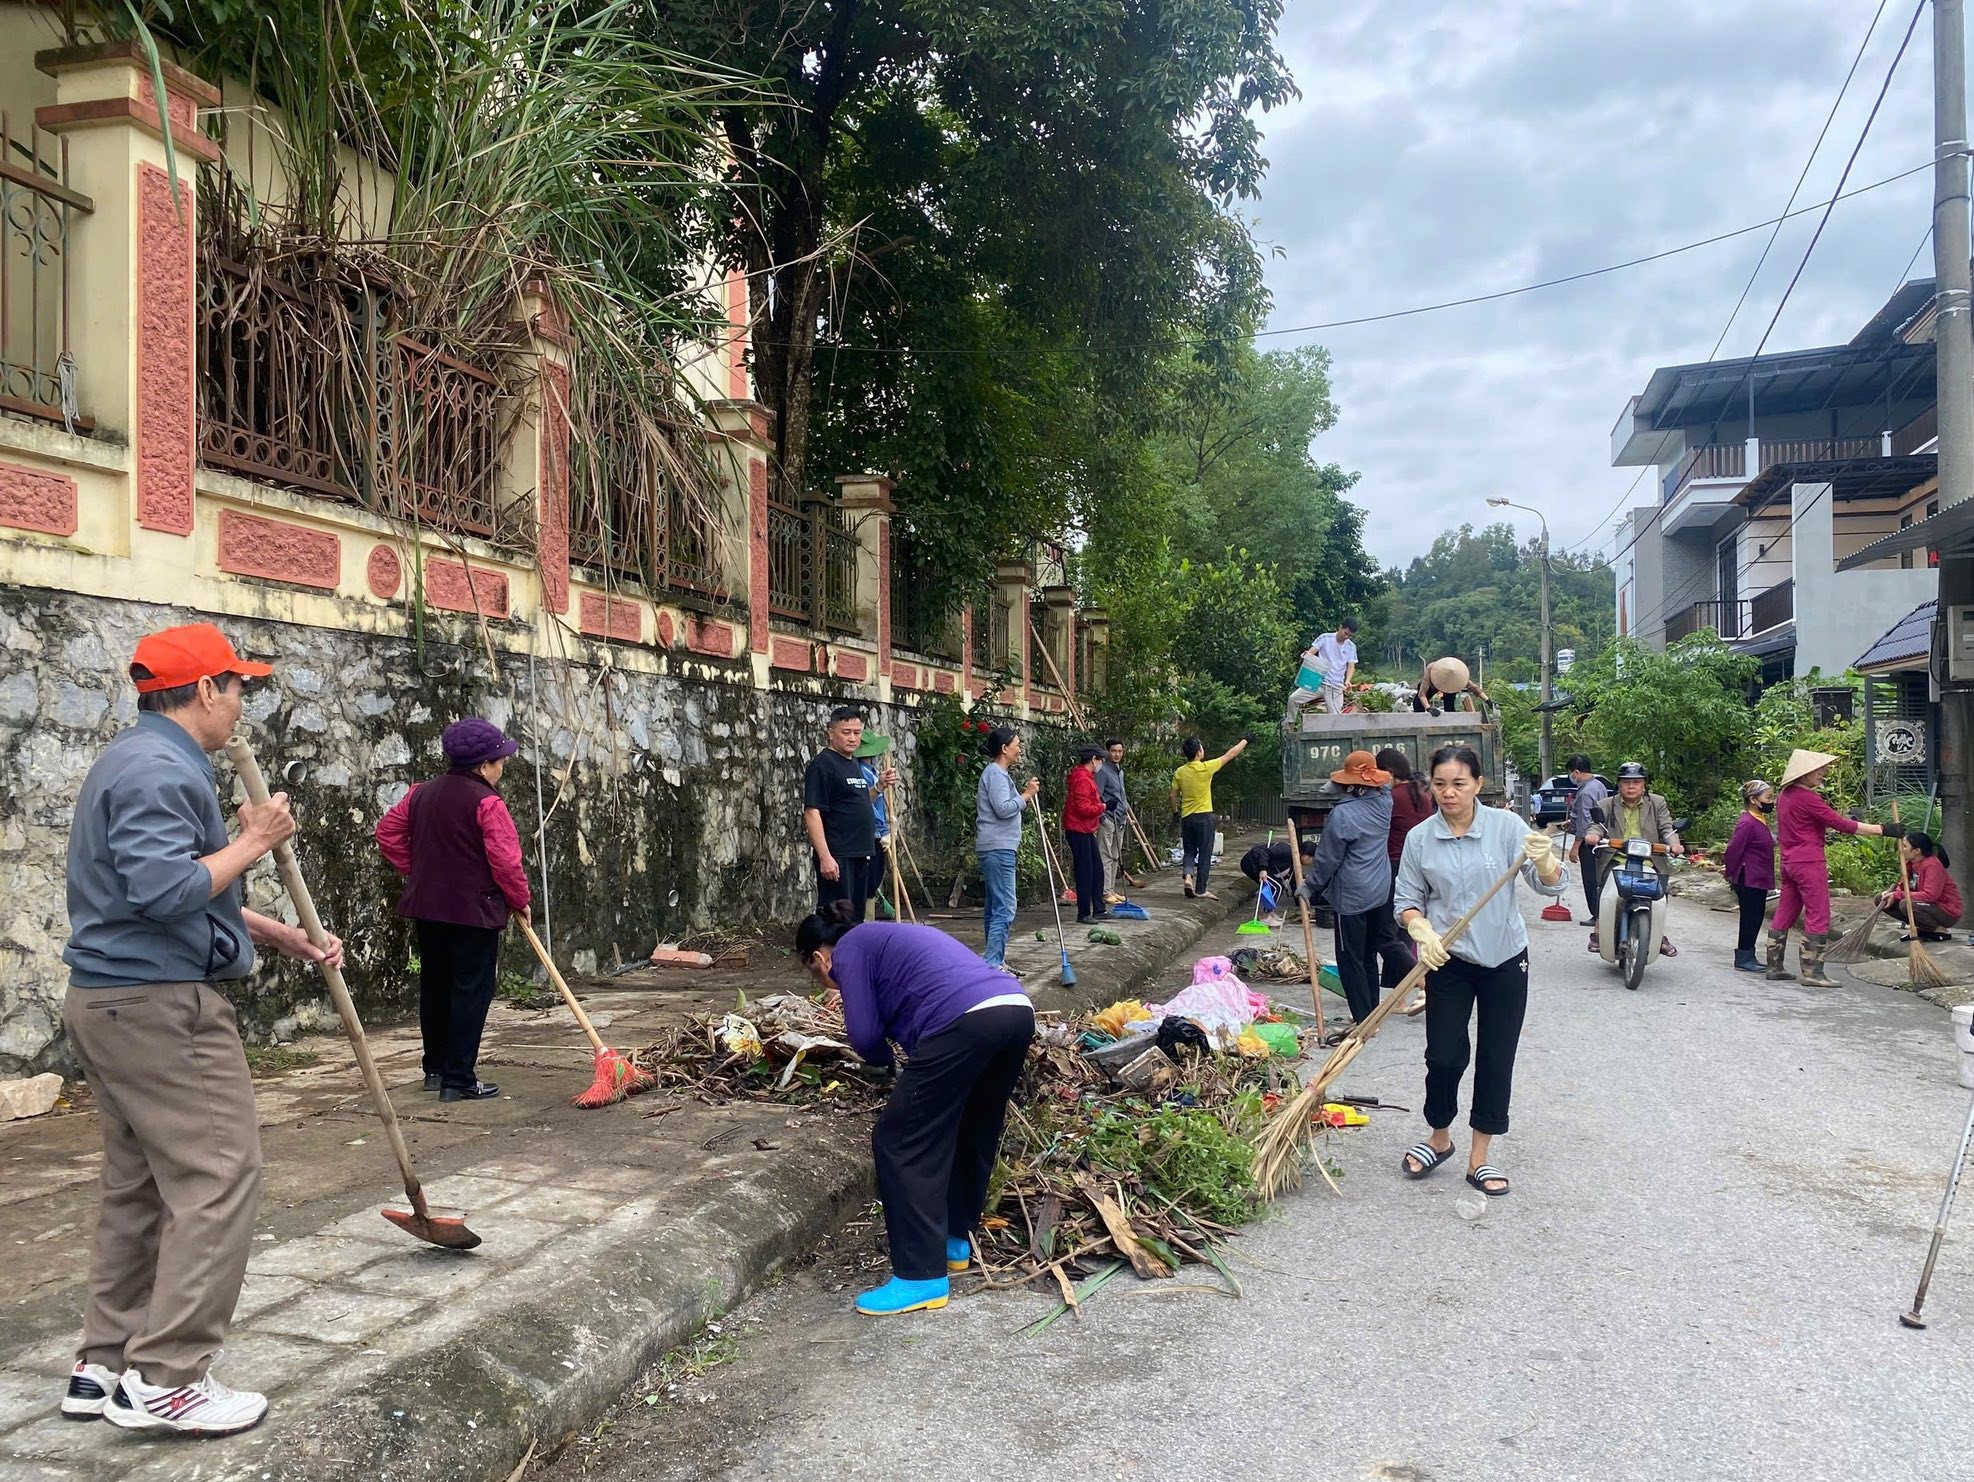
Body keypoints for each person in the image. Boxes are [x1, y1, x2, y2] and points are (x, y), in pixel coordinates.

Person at [60, 623, 344, 1435]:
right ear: (207, 690)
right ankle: (171, 1377)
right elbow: (159, 890)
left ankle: (104, 1363)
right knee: (219, 1175)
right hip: (160, 1009)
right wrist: (254, 839)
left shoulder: (134, 757)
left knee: (140, 1186)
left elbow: (171, 888)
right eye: (239, 687)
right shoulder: (157, 770)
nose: (242, 703)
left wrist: (275, 932)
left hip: (112, 999)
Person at [796, 908, 1035, 1316]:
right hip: (1014, 1009)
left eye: (815, 974)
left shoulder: (849, 951)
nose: (824, 983)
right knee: (971, 1125)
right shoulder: (886, 936)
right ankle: (955, 1240)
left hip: (964, 1020)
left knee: (900, 1140)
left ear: (819, 958)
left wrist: (880, 1061)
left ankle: (919, 1277)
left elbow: (866, 1034)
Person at [1394, 744, 1568, 1199]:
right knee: (1444, 1054)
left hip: (1506, 958)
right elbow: (1405, 899)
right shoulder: (1420, 839)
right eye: (1440, 784)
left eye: (1459, 783)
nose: (1448, 793)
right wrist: (1420, 927)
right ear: (1429, 785)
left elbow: (1551, 882)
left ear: (1478, 784)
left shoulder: (1506, 827)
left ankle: (1480, 1158)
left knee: (1496, 1054)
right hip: (1448, 959)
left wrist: (1547, 861)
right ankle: (1440, 1138)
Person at [375, 717, 533, 1101]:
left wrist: (421, 870)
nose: (503, 767)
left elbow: (387, 833)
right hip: (473, 912)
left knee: (437, 985)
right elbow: (505, 862)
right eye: (499, 761)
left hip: (429, 907)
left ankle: (436, 1069)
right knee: (469, 991)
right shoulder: (488, 803)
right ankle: (459, 1079)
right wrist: (520, 900)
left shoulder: (420, 793)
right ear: (482, 766)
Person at [1768, 748, 1901, 987]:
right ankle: (1812, 973)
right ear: (1804, 773)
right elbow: (1840, 824)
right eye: (1819, 769)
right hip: (1809, 861)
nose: (1824, 773)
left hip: (1789, 862)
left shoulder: (1785, 796)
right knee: (1818, 915)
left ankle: (1774, 966)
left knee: (1785, 913)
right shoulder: (1807, 797)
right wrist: (1884, 829)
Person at [1311, 751, 1413, 1024]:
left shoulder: (1342, 814)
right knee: (1369, 954)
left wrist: (1310, 885)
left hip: (1352, 896)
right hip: (1380, 890)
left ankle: (1363, 1018)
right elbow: (1383, 786)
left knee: (1350, 959)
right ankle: (1373, 1014)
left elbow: (1328, 859)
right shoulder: (1385, 802)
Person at [1581, 761, 1683, 958]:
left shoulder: (1657, 803)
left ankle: (1658, 935)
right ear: (1618, 784)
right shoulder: (1606, 804)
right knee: (1608, 894)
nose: (1631, 786)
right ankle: (1599, 931)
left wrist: (1675, 844)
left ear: (1644, 784)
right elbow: (1597, 825)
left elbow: (1667, 828)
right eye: (1626, 782)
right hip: (1616, 860)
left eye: (1637, 781)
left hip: (1650, 860)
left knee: (1659, 896)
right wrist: (1592, 836)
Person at [803, 707, 894, 921]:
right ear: (831, 732)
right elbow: (812, 812)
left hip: (860, 853)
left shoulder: (853, 763)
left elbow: (859, 801)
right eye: (846, 732)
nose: (853, 738)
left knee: (855, 919)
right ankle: (830, 955)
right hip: (839, 855)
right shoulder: (823, 765)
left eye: (857, 732)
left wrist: (879, 786)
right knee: (836, 920)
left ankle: (851, 954)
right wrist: (825, 857)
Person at [976, 727, 1039, 971]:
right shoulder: (995, 774)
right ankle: (992, 962)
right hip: (998, 847)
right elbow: (1003, 809)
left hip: (999, 846)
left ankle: (995, 958)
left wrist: (1023, 796)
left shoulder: (999, 774)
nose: (1019, 749)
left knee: (996, 905)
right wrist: (1025, 796)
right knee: (1005, 906)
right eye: (1016, 744)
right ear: (1004, 748)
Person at [1171, 735, 1248, 899]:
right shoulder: (1207, 767)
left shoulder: (1180, 772)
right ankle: (1201, 889)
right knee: (1205, 854)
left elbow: (1173, 795)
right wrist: (1245, 741)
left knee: (1189, 851)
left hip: (1187, 817)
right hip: (1204, 817)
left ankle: (1188, 877)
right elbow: (1230, 754)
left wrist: (1175, 812)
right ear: (1198, 752)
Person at [1722, 779, 1777, 973]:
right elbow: (1733, 850)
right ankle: (1744, 956)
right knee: (1750, 917)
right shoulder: (1747, 822)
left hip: (1759, 877)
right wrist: (1730, 873)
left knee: (1756, 916)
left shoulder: (1759, 820)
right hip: (1749, 877)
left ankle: (1748, 954)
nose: (1772, 801)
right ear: (1754, 800)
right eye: (1768, 797)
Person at [1875, 830, 1962, 941]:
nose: (1900, 849)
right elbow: (1902, 886)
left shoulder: (1932, 866)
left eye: (1904, 846)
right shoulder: (1910, 864)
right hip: (1924, 905)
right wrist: (1891, 894)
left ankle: (1938, 929)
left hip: (1945, 911)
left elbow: (1930, 896)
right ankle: (1923, 928)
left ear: (1916, 851)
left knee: (1906, 904)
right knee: (1880, 899)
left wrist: (1898, 895)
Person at [1063, 745, 1109, 924]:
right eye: (1100, 760)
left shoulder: (1087, 777)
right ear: (1094, 760)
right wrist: (1103, 807)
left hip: (1085, 829)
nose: (1102, 763)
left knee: (1097, 870)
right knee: (1086, 872)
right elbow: (1083, 808)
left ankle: (1098, 908)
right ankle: (1083, 913)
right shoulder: (1082, 778)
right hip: (1078, 829)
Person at [1563, 755, 1608, 927]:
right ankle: (1600, 913)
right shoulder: (1599, 786)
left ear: (1576, 772)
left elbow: (1585, 821)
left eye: (1571, 774)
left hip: (1589, 842)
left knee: (1590, 879)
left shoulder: (1586, 791)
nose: (1572, 777)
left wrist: (1575, 847)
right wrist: (1570, 823)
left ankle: (1597, 915)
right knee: (1599, 877)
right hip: (1601, 838)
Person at [1238, 834, 1317, 928]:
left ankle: (1270, 913)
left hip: (1265, 867)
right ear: (1306, 856)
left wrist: (1301, 903)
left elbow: (1294, 883)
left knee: (1279, 886)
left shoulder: (1295, 863)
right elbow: (1263, 852)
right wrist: (1263, 869)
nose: (1311, 862)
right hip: (1252, 862)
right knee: (1276, 887)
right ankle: (1265, 916)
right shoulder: (1286, 850)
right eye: (1312, 859)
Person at [1096, 738, 1132, 904]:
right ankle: (1104, 892)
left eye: (1120, 751)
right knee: (1105, 855)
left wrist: (1126, 813)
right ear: (1107, 752)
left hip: (1120, 818)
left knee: (1116, 856)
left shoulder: (1120, 771)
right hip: (1108, 818)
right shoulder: (1102, 771)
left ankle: (1110, 889)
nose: (1117, 754)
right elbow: (1097, 795)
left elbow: (1121, 794)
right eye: (1113, 751)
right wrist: (1103, 818)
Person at [1413, 656, 1488, 715]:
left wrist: (1488, 701)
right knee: (1418, 704)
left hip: (1450, 687)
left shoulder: (1458, 675)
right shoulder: (1431, 669)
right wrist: (1428, 708)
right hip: (1431, 687)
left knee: (1449, 708)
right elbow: (1422, 695)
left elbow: (1475, 689)